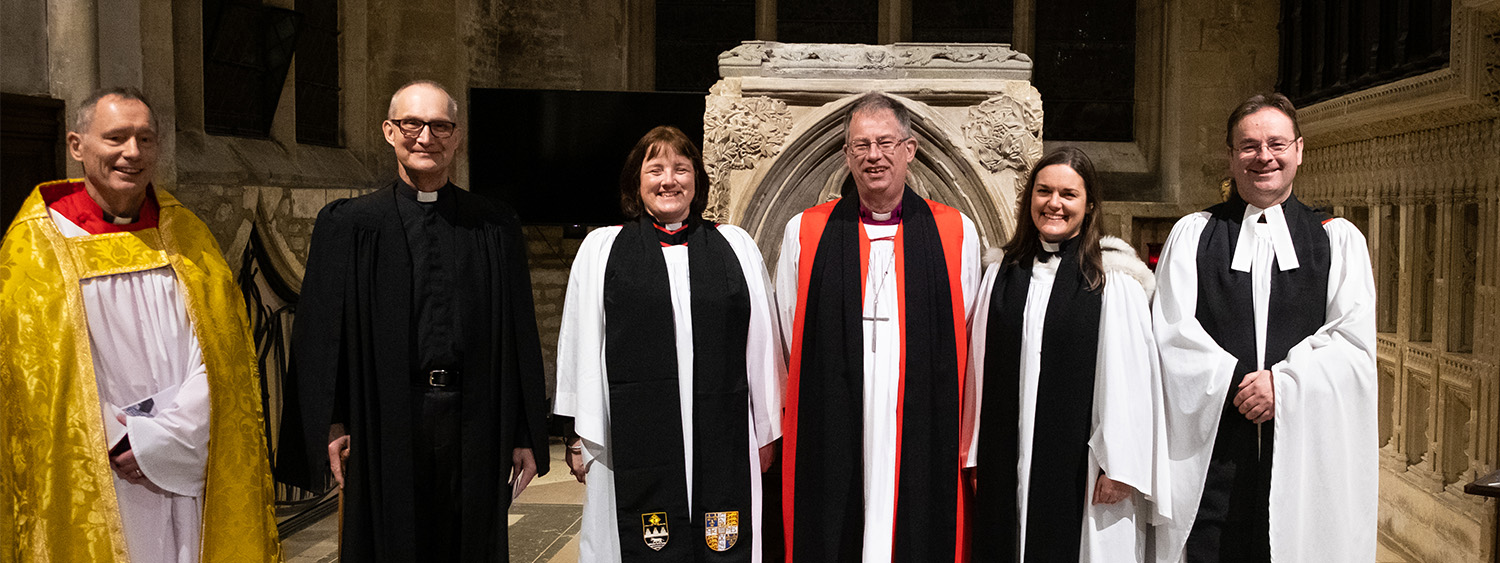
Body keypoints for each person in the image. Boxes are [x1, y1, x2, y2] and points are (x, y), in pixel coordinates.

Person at [0, 87, 280, 562]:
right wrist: (118, 438)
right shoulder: (35, 250)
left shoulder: (188, 235)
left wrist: (165, 439)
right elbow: (32, 377)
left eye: (145, 139)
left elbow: (225, 356)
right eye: (116, 138)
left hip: (189, 458)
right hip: (97, 466)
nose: (132, 153)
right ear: (76, 146)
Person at [284, 79, 550, 562]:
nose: (426, 137)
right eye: (413, 123)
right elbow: (322, 337)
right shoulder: (348, 225)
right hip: (381, 418)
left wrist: (523, 433)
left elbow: (518, 334)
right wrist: (333, 421)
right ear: (390, 131)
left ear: (457, 136)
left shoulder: (493, 225)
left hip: (476, 419)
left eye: (441, 126)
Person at [1152, 93, 1377, 562]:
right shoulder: (1193, 235)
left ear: (1299, 149)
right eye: (1249, 146)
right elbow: (1171, 333)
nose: (1264, 157)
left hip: (1304, 452)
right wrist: (1240, 384)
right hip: (1214, 453)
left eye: (1276, 143)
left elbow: (1351, 343)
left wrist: (1284, 385)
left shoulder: (1337, 239)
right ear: (1231, 156)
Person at [554, 125, 784, 562]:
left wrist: (766, 427)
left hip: (722, 429)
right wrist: (577, 433)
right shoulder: (603, 249)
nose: (668, 180)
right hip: (631, 438)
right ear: (635, 183)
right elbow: (579, 343)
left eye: (681, 168)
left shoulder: (735, 247)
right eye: (655, 169)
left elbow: (761, 343)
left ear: (696, 180)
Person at [774, 91, 981, 562]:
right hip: (833, 414)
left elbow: (969, 338)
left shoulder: (957, 233)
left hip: (921, 418)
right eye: (861, 145)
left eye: (886, 143)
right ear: (847, 154)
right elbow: (790, 332)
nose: (874, 156)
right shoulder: (804, 232)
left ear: (910, 150)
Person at [965, 147, 1169, 562]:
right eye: (1044, 191)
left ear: (1089, 204)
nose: (1053, 203)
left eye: (1068, 194)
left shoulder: (1112, 279)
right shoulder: (1001, 274)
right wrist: (974, 454)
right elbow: (977, 372)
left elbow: (1131, 380)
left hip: (1089, 470)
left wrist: (1121, 466)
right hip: (1008, 459)